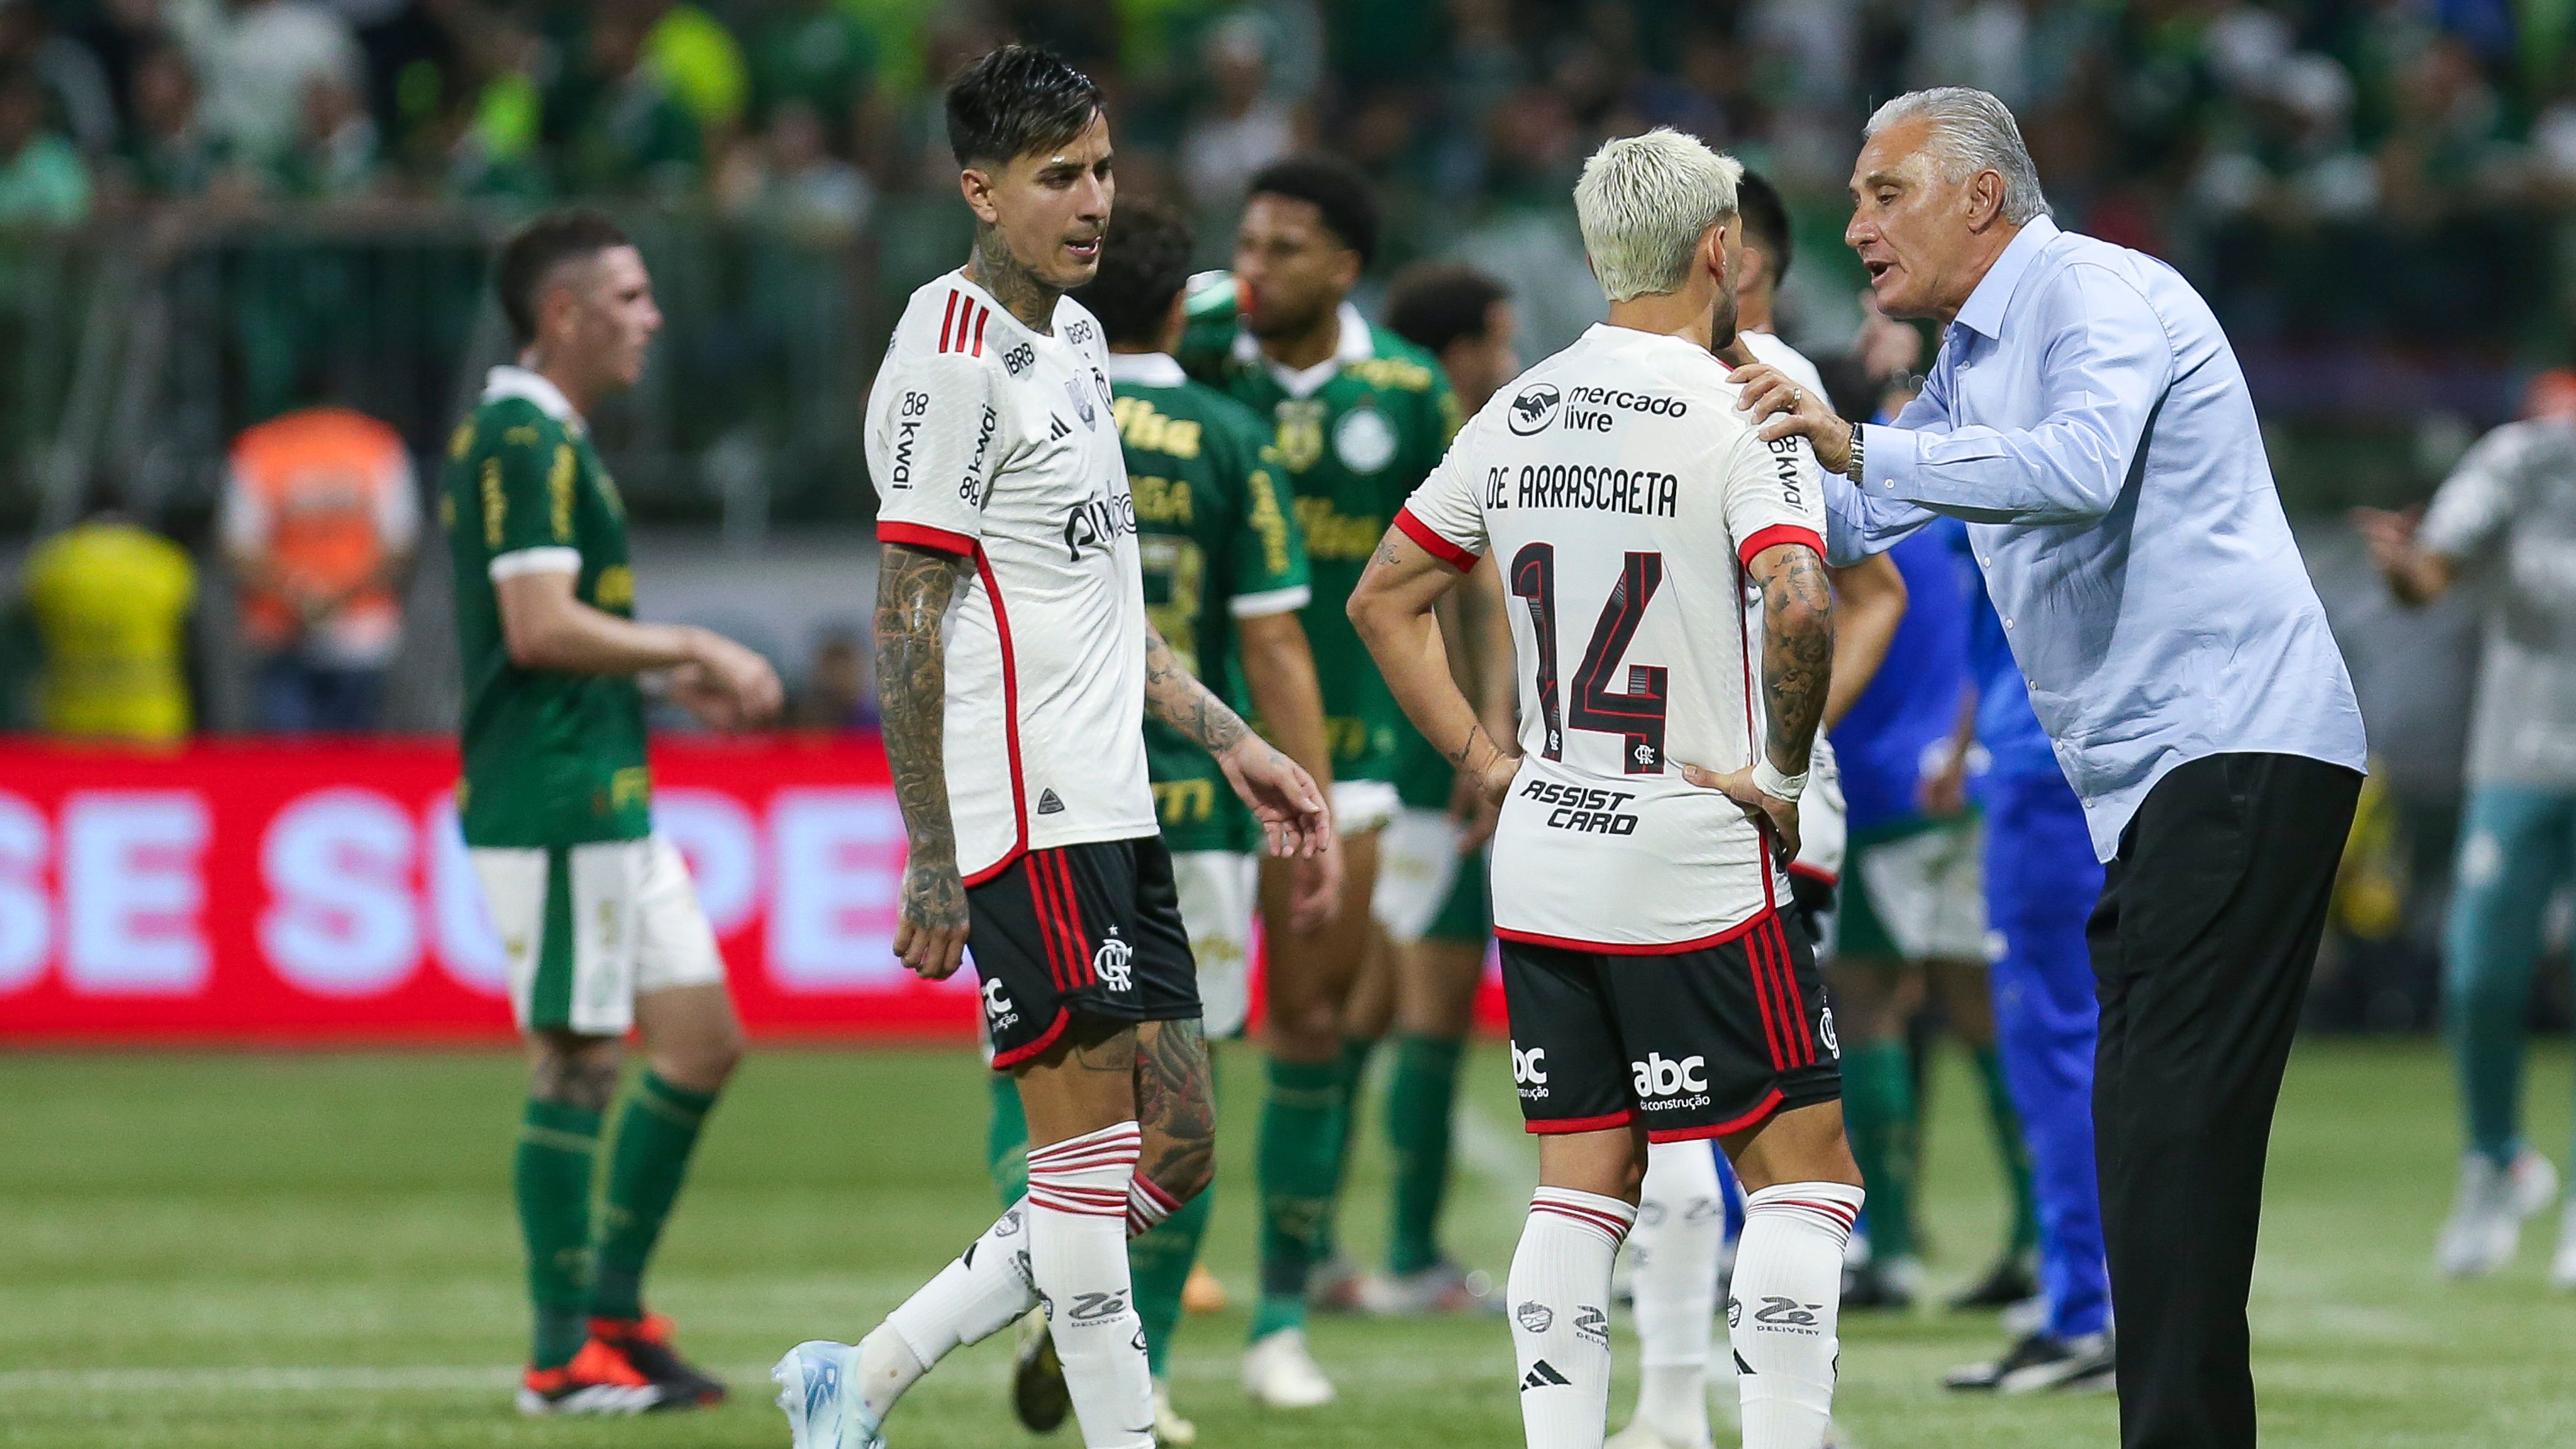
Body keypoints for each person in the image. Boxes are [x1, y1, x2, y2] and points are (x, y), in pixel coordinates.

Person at [1739, 88, 2367, 1449]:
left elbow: (2079, 465)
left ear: (1980, 196)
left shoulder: (2095, 292)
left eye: (1881, 193)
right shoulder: (1975, 355)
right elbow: (1867, 507)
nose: (1854, 226)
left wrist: (1856, 437)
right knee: (2148, 1129)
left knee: (2171, 1127)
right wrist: (1711, 444)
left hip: (2238, 744)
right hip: (2165, 778)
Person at [771, 47, 1330, 1449]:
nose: (1094, 199)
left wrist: (1237, 740)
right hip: (1024, 811)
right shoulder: (952, 368)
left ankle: (864, 1374)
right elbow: (905, 620)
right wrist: (933, 859)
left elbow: (1103, 612)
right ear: (979, 189)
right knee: (1084, 1177)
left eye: (1101, 167)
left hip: (1122, 801)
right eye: (1057, 176)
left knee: (1180, 1145)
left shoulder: (1078, 340)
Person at [1352, 127, 1865, 1449]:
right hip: (1693, 845)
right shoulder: (1735, 403)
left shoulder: (1517, 405)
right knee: (1806, 1177)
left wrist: (1483, 756)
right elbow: (1807, 596)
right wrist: (1784, 771)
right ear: (1722, 250)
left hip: (1547, 843)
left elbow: (1383, 598)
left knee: (1580, 1182)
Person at [983, 196, 1336, 1447]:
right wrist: (1312, 795)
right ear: (1185, 304)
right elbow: (1273, 633)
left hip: (1043, 792)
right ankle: (1146, 1365)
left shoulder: (1028, 416)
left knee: (1039, 1069)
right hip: (1187, 808)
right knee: (1181, 1101)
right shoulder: (1227, 432)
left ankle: (1040, 1288)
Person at [442, 208, 784, 1415]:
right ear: (564, 313)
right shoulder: (522, 437)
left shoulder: (556, 436)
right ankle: (556, 1356)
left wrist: (655, 672)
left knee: (700, 1040)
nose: (652, 318)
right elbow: (537, 625)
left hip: (605, 788)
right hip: (552, 792)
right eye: (631, 297)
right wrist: (689, 638)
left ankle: (612, 1307)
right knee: (580, 1057)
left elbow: (553, 629)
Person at [1609, 169, 1908, 1449]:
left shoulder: (1771, 381)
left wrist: (1784, 749)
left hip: (1756, 818)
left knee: (1726, 1122)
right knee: (1691, 1120)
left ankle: (1721, 1401)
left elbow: (1869, 588)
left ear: (1737, 263)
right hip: (1653, 803)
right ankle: (1713, 1400)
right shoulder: (1635, 380)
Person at [1178, 153, 1464, 1404]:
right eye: (1247, 240)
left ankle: (1280, 1318)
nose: (1256, 267)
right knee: (1167, 1046)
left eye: (1285, 247)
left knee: (1310, 1027)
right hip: (1184, 747)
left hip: (1343, 763)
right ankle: (1112, 1306)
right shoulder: (1187, 343)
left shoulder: (1404, 388)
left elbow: (1467, 558)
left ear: (1344, 266)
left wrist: (1480, 729)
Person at [2355, 402, 2576, 1285]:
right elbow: (2429, 577)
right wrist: (2404, 568)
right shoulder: (2524, 460)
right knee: (2480, 971)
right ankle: (2496, 1159)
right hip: (2517, 755)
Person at [1351, 261, 1522, 1317]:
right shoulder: (1446, 444)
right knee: (1427, 1002)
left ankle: (1330, 1247)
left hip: (1372, 749)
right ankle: (1407, 1250)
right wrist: (1486, 741)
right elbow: (1476, 591)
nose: (1505, 366)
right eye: (1495, 343)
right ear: (1454, 354)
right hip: (1427, 761)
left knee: (1359, 1004)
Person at [1930, 514, 2115, 1393]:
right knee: (2079, 1038)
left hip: (2046, 772)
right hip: (2075, 755)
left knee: (2053, 1043)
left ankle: (2086, 1310)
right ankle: (2089, 1298)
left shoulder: (1983, 436)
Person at [221, 404, 418, 733]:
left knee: (288, 772)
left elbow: (240, 548)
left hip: (288, 633)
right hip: (355, 636)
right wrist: (339, 595)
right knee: (356, 770)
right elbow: (399, 547)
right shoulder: (376, 444)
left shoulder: (260, 447)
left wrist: (299, 594)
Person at [20, 502, 195, 744]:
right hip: (151, 717)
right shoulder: (165, 561)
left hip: (72, 716)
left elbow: (32, 622)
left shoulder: (53, 562)